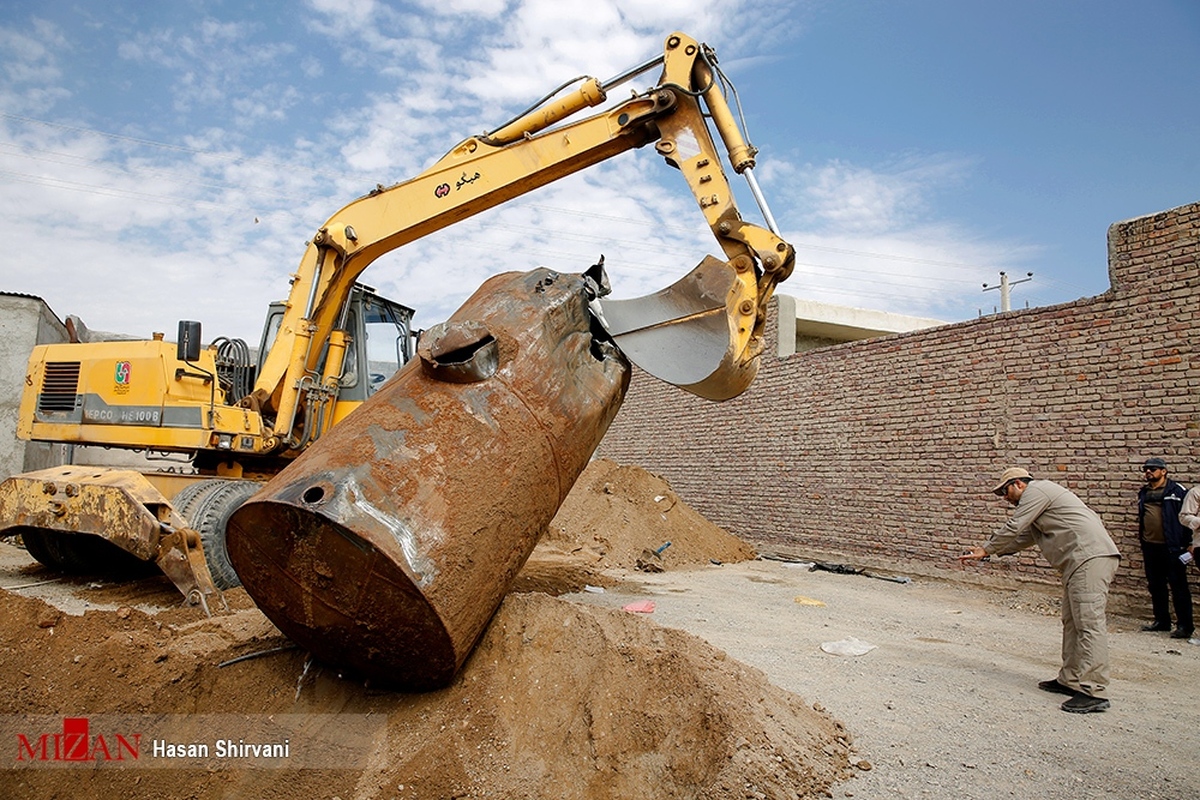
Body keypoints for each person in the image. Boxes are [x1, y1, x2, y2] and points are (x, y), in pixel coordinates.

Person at [959, 467, 1120, 714]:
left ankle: (1094, 691)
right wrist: (989, 552)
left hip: (1089, 558)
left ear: (1019, 484)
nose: (1005, 498)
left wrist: (986, 549)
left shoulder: (1037, 491)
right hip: (1078, 562)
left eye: (1005, 491)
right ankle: (1070, 679)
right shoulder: (1041, 503)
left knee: (1088, 623)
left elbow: (1014, 527)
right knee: (1072, 622)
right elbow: (1025, 537)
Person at [1136, 458, 1193, 639]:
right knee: (1156, 585)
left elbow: (1188, 518)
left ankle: (1185, 626)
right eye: (1146, 469)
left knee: (1179, 587)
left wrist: (1190, 544)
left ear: (1164, 471)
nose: (1148, 472)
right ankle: (1162, 621)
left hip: (1173, 548)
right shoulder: (1144, 492)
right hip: (1151, 547)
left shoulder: (1178, 491)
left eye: (1153, 469)